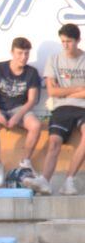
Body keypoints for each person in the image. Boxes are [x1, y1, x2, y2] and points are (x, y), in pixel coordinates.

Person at [24, 23, 85, 195]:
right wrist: (78, 90)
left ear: (78, 40)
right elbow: (52, 91)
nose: (66, 45)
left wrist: (63, 92)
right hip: (62, 107)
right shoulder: (54, 59)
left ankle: (69, 180)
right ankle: (45, 180)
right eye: (63, 42)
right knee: (54, 141)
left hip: (83, 108)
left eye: (69, 42)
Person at [0, 37, 42, 188]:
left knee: (35, 126)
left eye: (26, 54)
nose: (23, 57)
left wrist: (18, 116)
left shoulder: (32, 73)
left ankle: (25, 162)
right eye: (20, 53)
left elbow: (31, 100)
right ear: (12, 52)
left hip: (19, 108)